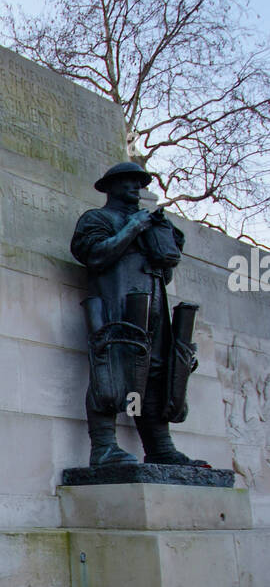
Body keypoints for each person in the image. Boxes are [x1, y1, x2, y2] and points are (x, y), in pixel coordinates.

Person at [71, 162, 206, 468]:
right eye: (127, 181)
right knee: (110, 371)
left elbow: (166, 268)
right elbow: (95, 256)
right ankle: (103, 447)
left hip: (154, 309)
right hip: (116, 307)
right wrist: (134, 228)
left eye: (138, 182)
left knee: (156, 375)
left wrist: (160, 231)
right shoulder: (98, 218)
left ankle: (159, 447)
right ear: (110, 187)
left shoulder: (148, 223)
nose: (135, 187)